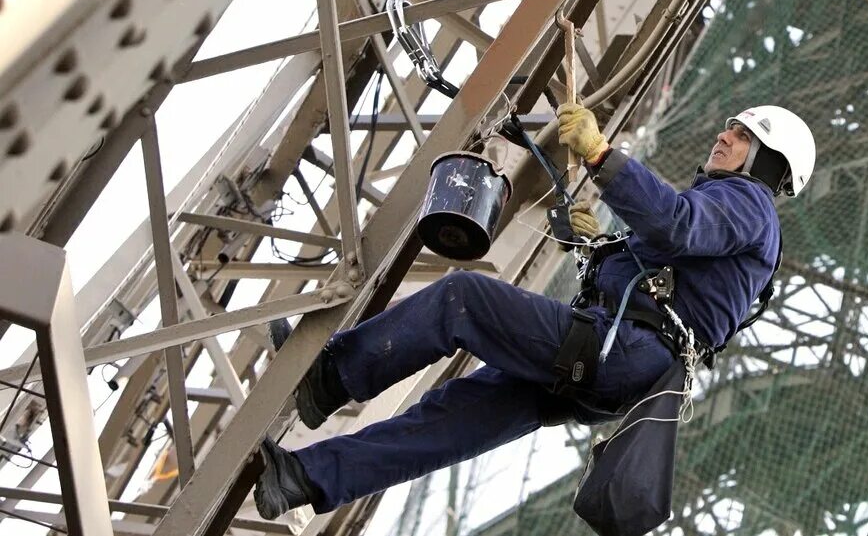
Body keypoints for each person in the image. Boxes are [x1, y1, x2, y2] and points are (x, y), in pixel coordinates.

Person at [252, 103, 816, 520]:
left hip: (616, 352)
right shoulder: (744, 227)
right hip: (619, 371)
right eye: (731, 128)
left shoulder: (747, 204)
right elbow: (671, 274)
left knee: (464, 300)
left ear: (768, 162)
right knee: (450, 421)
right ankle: (301, 478)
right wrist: (605, 248)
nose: (724, 135)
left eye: (742, 136)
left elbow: (674, 222)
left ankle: (331, 378)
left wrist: (601, 156)